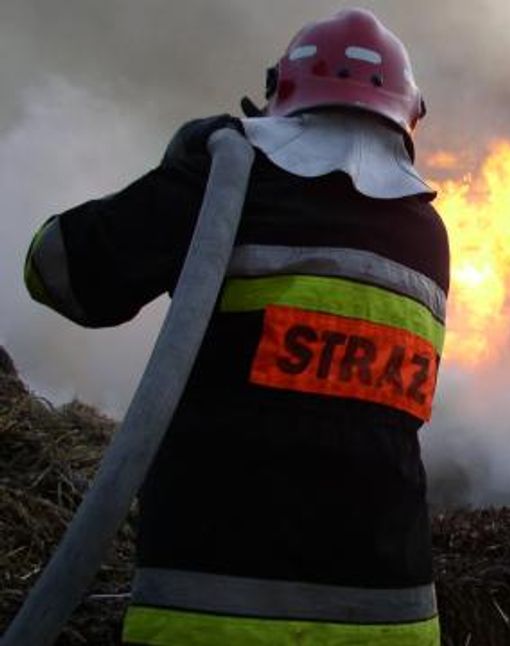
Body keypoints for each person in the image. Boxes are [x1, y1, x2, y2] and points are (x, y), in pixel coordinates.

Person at [23, 9, 448, 645]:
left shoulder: (233, 178)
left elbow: (58, 273)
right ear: (406, 115)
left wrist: (185, 168)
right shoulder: (427, 233)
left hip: (214, 616)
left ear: (285, 94)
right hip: (391, 619)